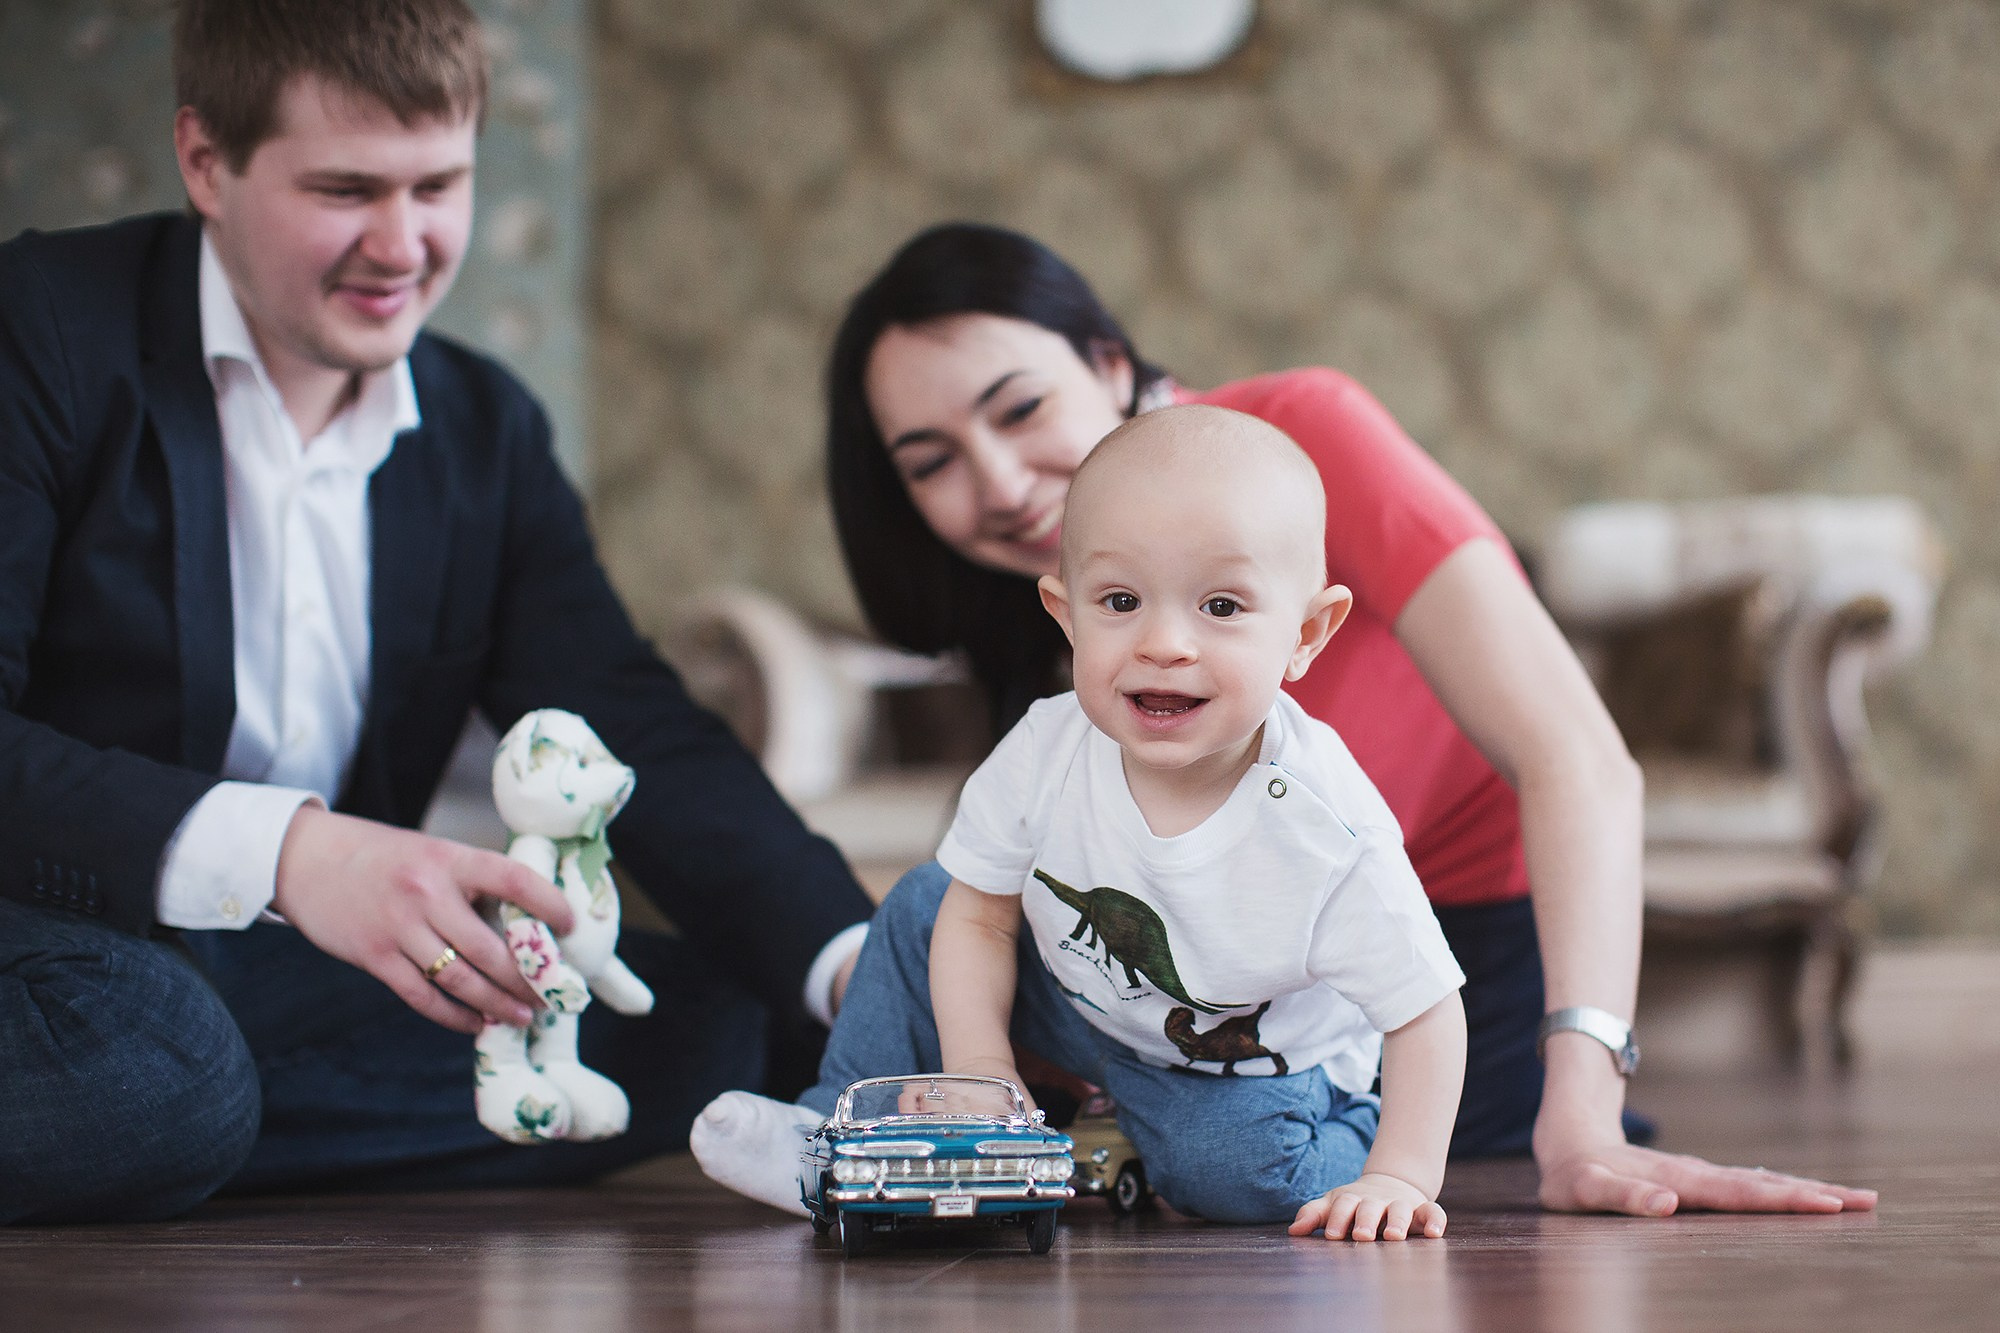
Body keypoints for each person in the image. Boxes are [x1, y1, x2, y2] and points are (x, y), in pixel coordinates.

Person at [745, 221, 1872, 1220]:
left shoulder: (1303, 441)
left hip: (1409, 965)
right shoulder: (1051, 604)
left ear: (1105, 357)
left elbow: (1574, 757)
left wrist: (1582, 1106)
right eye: (930, 463)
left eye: (1019, 409)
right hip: (1178, 986)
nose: (993, 482)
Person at [0, 0, 870, 1226]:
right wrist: (298, 854)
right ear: (206, 160)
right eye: (347, 189)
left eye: (439, 186)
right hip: (47, 925)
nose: (402, 244)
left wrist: (861, 971)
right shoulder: (36, 329)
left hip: (249, 977)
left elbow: (634, 727)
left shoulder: (483, 430)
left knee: (712, 1029)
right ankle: (178, 1113)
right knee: (146, 1063)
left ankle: (186, 1127)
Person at [695, 406, 1469, 1241]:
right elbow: (979, 913)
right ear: (1067, 617)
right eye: (1122, 599)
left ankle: (1337, 1140)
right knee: (924, 903)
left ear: (1306, 634)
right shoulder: (1047, 746)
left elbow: (1427, 1008)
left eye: (1221, 604)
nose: (1165, 641)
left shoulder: (1327, 829)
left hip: (1237, 1065)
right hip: (1082, 1008)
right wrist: (980, 1072)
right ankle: (831, 1137)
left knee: (1232, 1178)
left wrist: (1401, 1173)